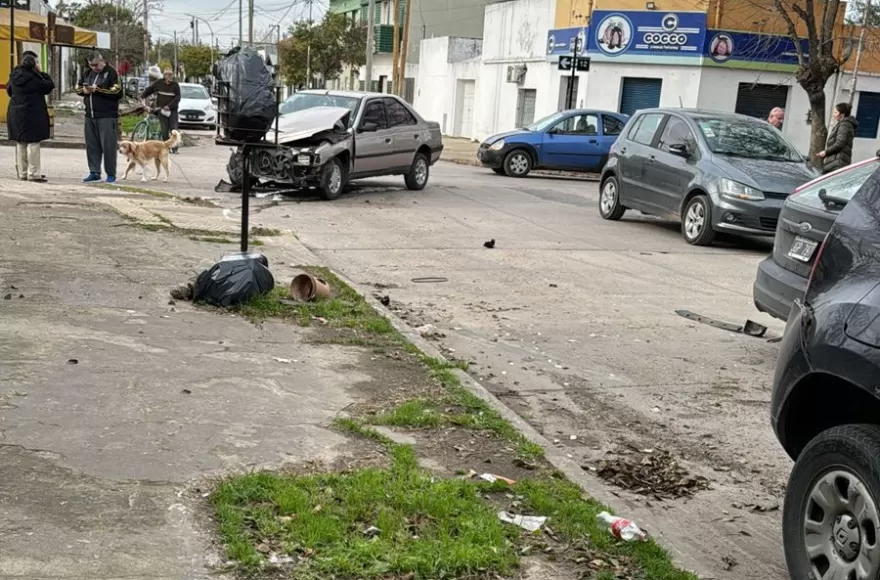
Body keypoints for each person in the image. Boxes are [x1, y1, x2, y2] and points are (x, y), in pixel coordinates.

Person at [5, 50, 54, 182]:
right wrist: (40, 72)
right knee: (33, 143)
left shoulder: (14, 76)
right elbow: (49, 85)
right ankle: (33, 174)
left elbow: (9, 91)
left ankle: (23, 173)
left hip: (16, 113)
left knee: (21, 142)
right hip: (33, 113)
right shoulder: (35, 78)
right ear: (33, 65)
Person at [76, 51, 123, 183]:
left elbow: (118, 91)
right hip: (90, 115)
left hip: (107, 115)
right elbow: (78, 87)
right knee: (92, 145)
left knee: (108, 146)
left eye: (96, 65)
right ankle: (94, 171)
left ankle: (111, 174)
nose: (94, 68)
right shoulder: (87, 73)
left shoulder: (112, 72)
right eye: (91, 65)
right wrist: (84, 91)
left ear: (102, 61)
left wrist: (98, 90)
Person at [141, 66, 181, 153]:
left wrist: (169, 106)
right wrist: (142, 96)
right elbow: (150, 89)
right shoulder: (159, 83)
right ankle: (167, 147)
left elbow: (178, 98)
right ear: (163, 75)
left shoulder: (175, 85)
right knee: (164, 130)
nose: (168, 76)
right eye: (166, 74)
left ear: (172, 75)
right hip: (161, 109)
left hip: (172, 110)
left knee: (173, 129)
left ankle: (175, 148)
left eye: (170, 74)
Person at [817, 102, 858, 174]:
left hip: (838, 163)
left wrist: (826, 152)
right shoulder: (843, 124)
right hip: (836, 161)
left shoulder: (844, 125)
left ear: (842, 114)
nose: (833, 115)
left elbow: (840, 143)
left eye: (835, 113)